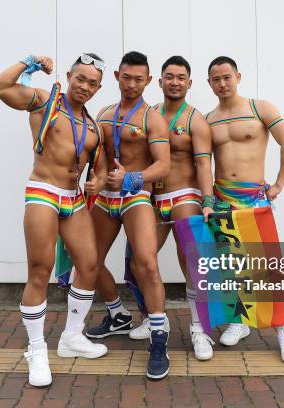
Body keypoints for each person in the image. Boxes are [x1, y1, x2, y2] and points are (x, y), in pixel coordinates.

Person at [0, 53, 109, 387]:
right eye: (81, 79)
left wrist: (98, 180)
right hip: (43, 191)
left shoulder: (92, 125)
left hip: (73, 199)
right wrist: (28, 63)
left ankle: (72, 337)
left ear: (98, 88)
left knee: (89, 265)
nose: (85, 87)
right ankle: (37, 349)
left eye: (92, 84)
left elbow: (97, 168)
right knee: (39, 271)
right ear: (69, 76)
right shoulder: (46, 101)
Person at [205, 56, 284, 363]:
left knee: (266, 267)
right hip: (222, 197)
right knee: (231, 265)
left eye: (226, 77)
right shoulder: (208, 119)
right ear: (209, 83)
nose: (222, 83)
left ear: (238, 76)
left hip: (254, 197)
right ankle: (240, 320)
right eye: (216, 79)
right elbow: (202, 162)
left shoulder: (261, 108)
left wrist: (279, 184)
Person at [122, 56, 217, 361]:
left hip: (184, 195)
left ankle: (199, 328)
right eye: (169, 76)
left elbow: (204, 163)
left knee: (191, 261)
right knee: (140, 262)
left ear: (189, 83)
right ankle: (153, 317)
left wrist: (207, 200)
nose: (174, 82)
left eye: (181, 77)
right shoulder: (149, 114)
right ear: (159, 81)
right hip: (153, 199)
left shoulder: (196, 120)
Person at [84, 51, 172, 379]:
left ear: (148, 81)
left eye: (139, 79)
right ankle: (117, 314)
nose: (132, 84)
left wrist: (133, 178)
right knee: (87, 261)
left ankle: (159, 338)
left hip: (136, 196)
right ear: (117, 77)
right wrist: (94, 180)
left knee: (146, 263)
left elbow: (164, 164)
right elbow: (98, 155)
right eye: (127, 77)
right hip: (106, 199)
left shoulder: (153, 118)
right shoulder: (104, 114)